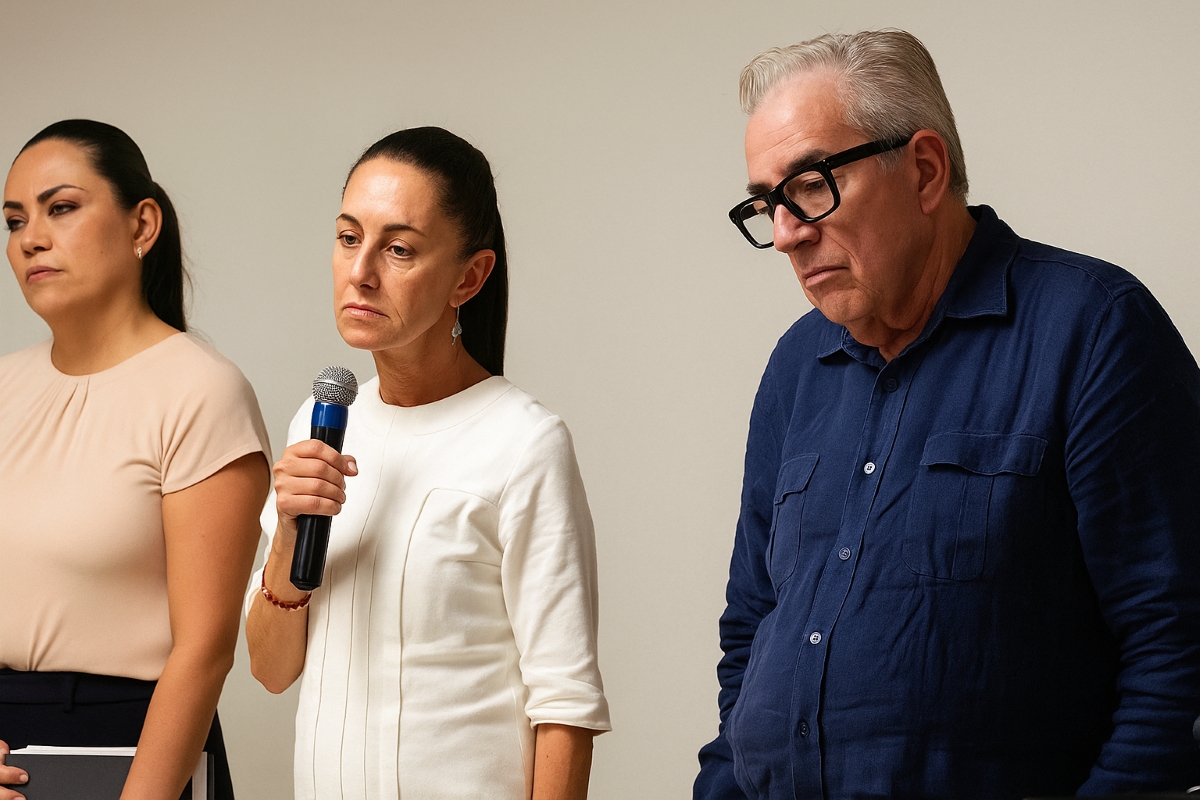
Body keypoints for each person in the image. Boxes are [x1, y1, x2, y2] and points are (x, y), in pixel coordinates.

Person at [695, 30, 1200, 799]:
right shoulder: (796, 367)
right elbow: (752, 628)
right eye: (767, 204)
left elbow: (1178, 644)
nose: (787, 234)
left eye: (810, 185)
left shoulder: (1093, 328)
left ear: (925, 170)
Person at [245, 126, 610, 800]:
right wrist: (290, 537)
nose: (360, 271)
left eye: (399, 249)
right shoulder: (319, 424)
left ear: (469, 277)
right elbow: (270, 669)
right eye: (348, 237)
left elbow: (565, 704)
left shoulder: (523, 443)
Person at [0, 120, 271, 799]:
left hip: (134, 757)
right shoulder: (3, 386)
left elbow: (205, 650)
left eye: (61, 207)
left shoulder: (201, 392)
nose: (30, 238)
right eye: (14, 220)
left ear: (142, 224)